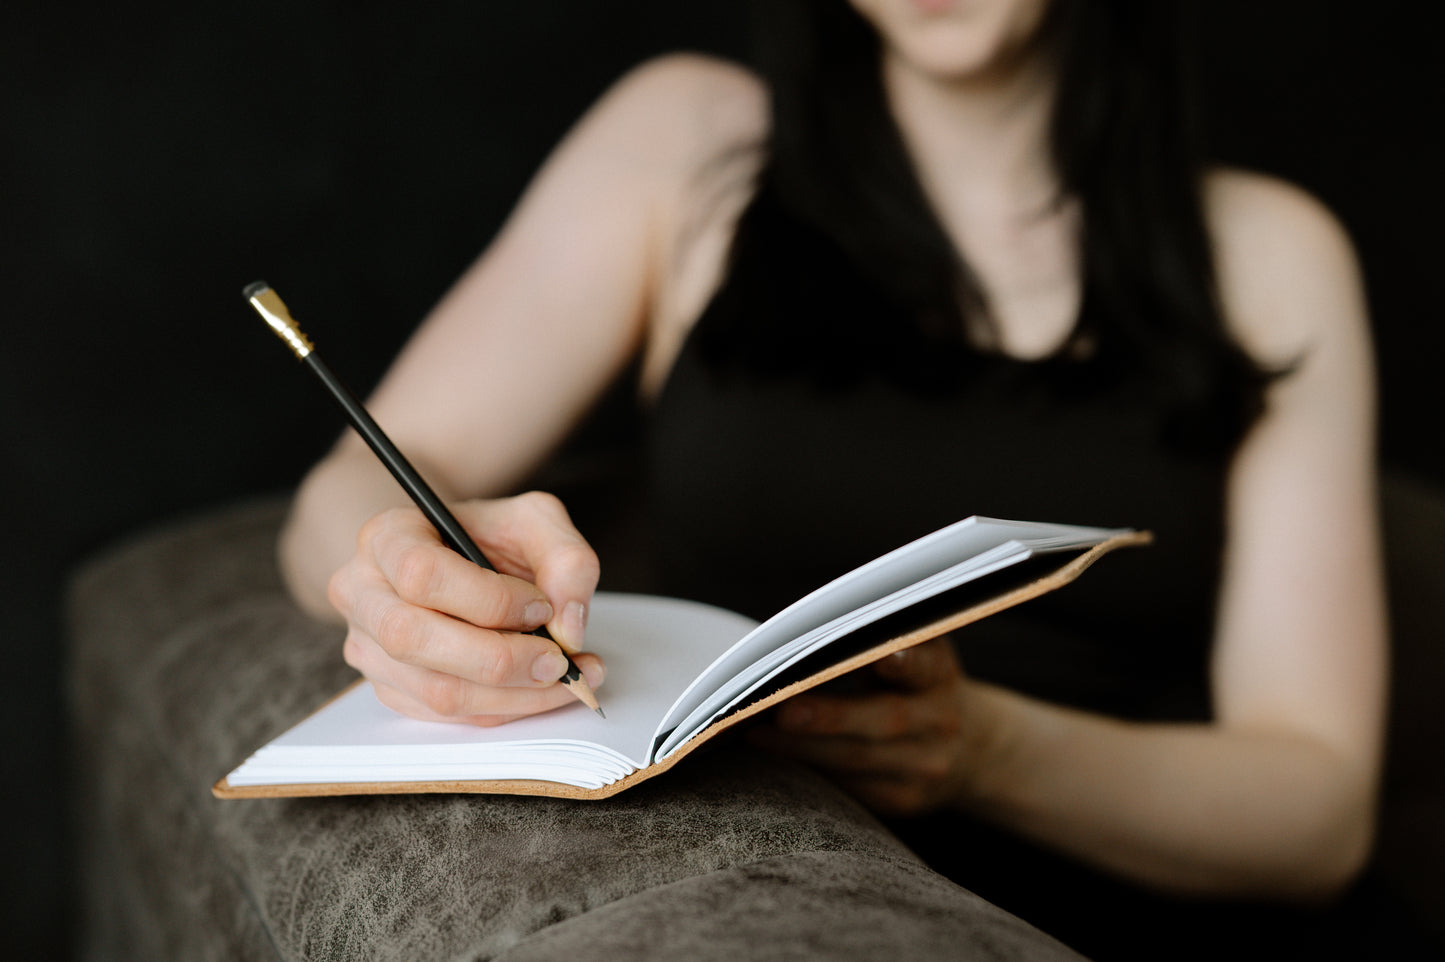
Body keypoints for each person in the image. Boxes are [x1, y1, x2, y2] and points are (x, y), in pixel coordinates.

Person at [277, 1, 1406, 957]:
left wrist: (986, 749)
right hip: (746, 904)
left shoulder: (1268, 255)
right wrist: (400, 575)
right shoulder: (687, 145)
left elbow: (1317, 813)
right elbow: (363, 476)